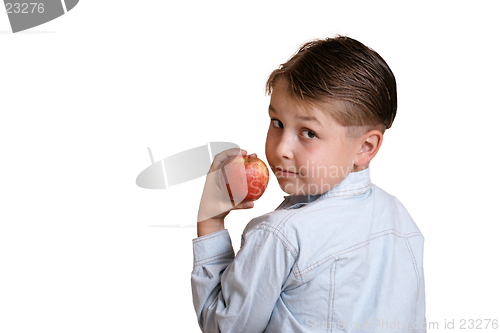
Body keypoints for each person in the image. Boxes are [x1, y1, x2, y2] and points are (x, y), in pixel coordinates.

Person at [191, 35, 426, 333]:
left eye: (309, 133)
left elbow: (224, 327)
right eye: (277, 123)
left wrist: (210, 221)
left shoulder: (279, 235)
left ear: (365, 147)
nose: (281, 149)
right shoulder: (400, 218)